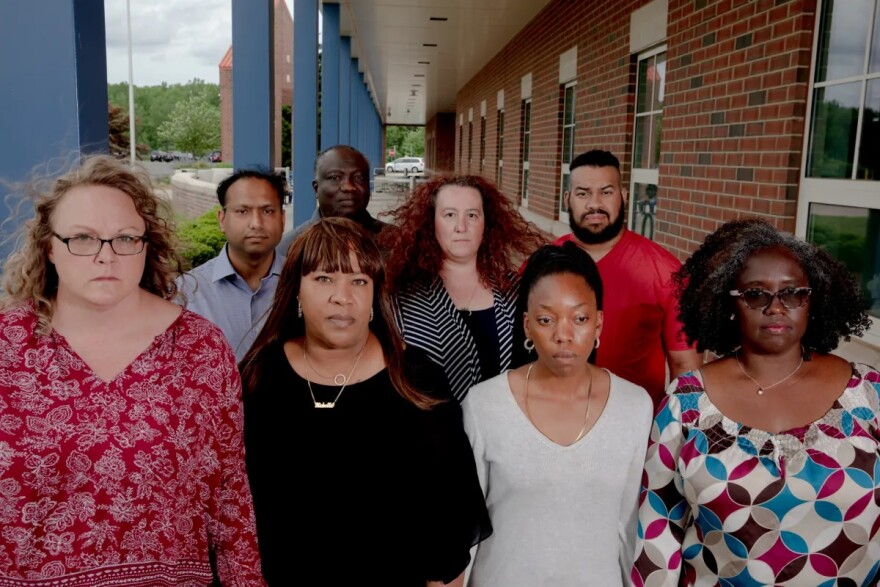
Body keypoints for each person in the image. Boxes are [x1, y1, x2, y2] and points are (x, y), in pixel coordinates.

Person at [0, 155, 264, 585]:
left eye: (124, 238)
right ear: (49, 246)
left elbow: (230, 499)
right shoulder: (8, 347)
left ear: (146, 244)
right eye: (82, 238)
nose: (106, 256)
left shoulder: (199, 349)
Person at [240, 218, 491, 585]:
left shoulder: (416, 381)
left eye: (359, 281)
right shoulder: (258, 377)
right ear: (296, 291)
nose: (343, 296)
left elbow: (450, 521)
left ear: (375, 294)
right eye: (324, 278)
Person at [632, 218, 879, 586]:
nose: (776, 307)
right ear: (729, 303)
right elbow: (657, 532)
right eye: (755, 294)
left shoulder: (869, 394)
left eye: (793, 292)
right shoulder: (685, 404)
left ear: (813, 301)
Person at [463, 242, 653, 586]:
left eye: (579, 319)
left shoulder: (634, 407)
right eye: (546, 319)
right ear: (526, 325)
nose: (564, 335)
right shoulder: (484, 405)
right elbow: (463, 532)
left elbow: (630, 529)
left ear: (598, 324)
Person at [554, 149, 702, 404]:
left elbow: (685, 368)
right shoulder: (543, 265)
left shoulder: (666, 271)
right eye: (583, 193)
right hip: (555, 420)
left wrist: (673, 438)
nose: (594, 204)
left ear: (623, 196)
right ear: (568, 199)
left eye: (606, 192)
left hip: (636, 430)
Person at [381, 175, 545, 402]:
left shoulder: (516, 290)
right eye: (449, 215)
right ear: (431, 223)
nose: (461, 227)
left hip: (504, 429)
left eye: (472, 215)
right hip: (432, 432)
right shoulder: (403, 297)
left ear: (485, 224)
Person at [177, 167, 286, 361]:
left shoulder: (303, 283)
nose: (256, 223)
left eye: (268, 211)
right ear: (222, 220)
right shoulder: (186, 292)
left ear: (283, 219)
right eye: (242, 211)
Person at [276, 144, 387, 255]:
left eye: (359, 178)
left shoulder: (396, 242)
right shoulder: (288, 249)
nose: (349, 187)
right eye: (335, 177)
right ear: (316, 188)